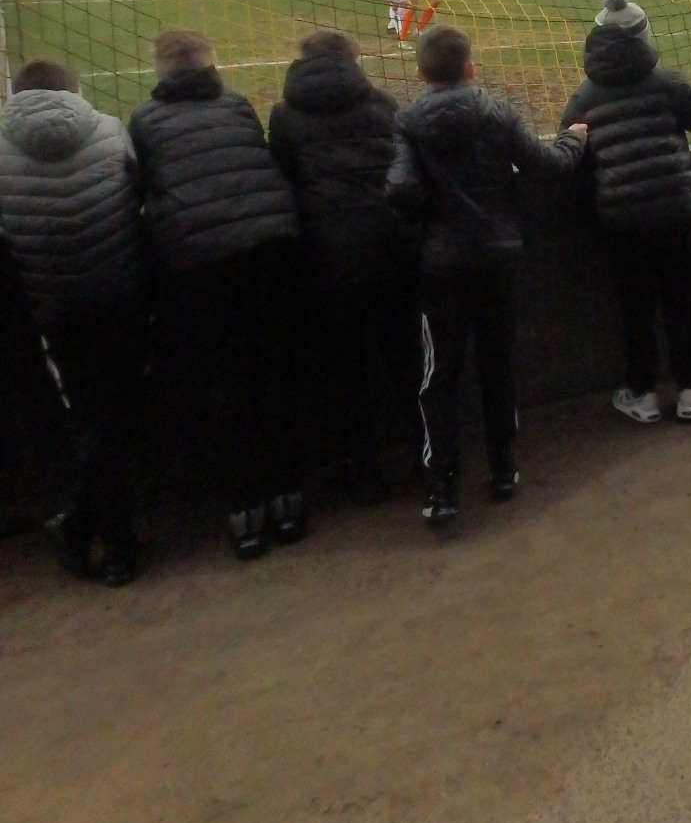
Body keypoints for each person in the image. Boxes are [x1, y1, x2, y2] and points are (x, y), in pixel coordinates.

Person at [386, 24, 587, 525]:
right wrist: (574, 139)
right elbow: (544, 164)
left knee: (439, 375)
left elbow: (401, 190)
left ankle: (442, 488)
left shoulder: (408, 120)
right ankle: (502, 469)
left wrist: (430, 218)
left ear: (420, 72)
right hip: (499, 258)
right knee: (496, 364)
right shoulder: (498, 112)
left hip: (442, 266)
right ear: (470, 68)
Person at [129, 30, 305, 560]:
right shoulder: (237, 105)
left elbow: (145, 191)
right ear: (210, 64)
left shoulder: (144, 121)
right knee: (274, 376)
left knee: (226, 390)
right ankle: (288, 499)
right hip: (271, 254)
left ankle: (245, 512)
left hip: (201, 267)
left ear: (161, 71)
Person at [0, 61, 146, 585]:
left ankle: (92, 529)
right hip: (121, 296)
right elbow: (139, 194)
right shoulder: (110, 130)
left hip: (56, 310)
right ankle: (112, 541)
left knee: (93, 415)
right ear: (73, 90)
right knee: (114, 412)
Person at [561, 0, 691, 425]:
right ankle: (690, 391)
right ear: (642, 37)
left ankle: (643, 395)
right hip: (676, 211)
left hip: (623, 221)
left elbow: (572, 157)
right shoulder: (667, 83)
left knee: (635, 309)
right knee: (682, 302)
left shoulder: (584, 99)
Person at [269, 31, 414, 504]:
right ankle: (429, 457)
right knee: (406, 359)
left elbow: (284, 179)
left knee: (347, 371)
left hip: (326, 255)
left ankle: (366, 472)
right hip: (388, 244)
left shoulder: (285, 116)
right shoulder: (382, 104)